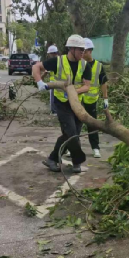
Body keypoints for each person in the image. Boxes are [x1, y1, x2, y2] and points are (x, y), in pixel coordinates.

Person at [32, 35, 92, 174]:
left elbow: (87, 86)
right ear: (72, 49)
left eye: (83, 50)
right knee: (71, 132)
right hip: (62, 103)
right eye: (80, 50)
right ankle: (77, 161)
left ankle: (52, 159)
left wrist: (73, 91)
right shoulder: (57, 61)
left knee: (72, 134)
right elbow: (36, 67)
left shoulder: (85, 65)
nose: (83, 52)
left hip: (77, 104)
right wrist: (39, 82)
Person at [82, 38, 108, 158]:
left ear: (90, 51)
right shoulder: (79, 64)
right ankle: (71, 147)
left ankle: (95, 148)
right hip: (78, 97)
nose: (82, 53)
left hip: (91, 99)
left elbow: (103, 82)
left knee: (92, 123)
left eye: (84, 51)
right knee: (74, 123)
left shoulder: (99, 66)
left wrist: (105, 98)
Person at [47, 45, 59, 115]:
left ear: (53, 53)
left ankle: (54, 111)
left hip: (53, 82)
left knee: (52, 98)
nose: (49, 55)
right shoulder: (61, 60)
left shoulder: (53, 61)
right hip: (60, 81)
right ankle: (58, 111)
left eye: (50, 54)